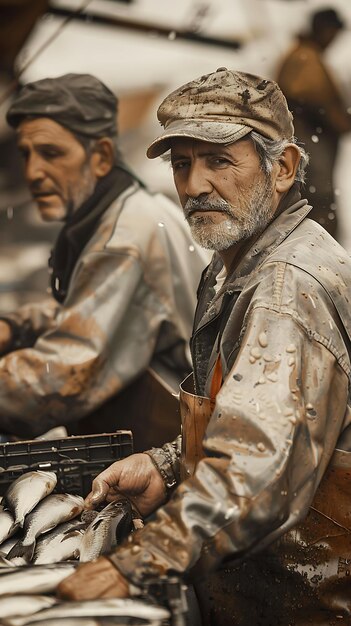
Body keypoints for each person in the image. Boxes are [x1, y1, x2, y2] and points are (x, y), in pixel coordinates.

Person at [58, 69, 351, 625]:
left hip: (310, 605)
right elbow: (246, 414)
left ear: (283, 167)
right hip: (258, 587)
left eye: (219, 161)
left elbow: (259, 466)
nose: (193, 187)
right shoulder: (234, 263)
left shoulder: (288, 286)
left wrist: (137, 562)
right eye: (181, 163)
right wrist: (168, 466)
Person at [0, 73, 207, 443]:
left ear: (101, 157)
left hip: (177, 443)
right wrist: (18, 325)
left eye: (51, 153)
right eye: (25, 154)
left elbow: (63, 378)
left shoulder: (123, 240)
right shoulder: (134, 207)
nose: (32, 172)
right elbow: (96, 305)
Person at [276, 7, 351, 240]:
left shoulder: (307, 55)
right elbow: (308, 94)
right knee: (315, 199)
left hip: (312, 147)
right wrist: (338, 119)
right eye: (332, 33)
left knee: (314, 198)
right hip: (310, 147)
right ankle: (318, 248)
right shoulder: (304, 57)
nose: (333, 39)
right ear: (323, 30)